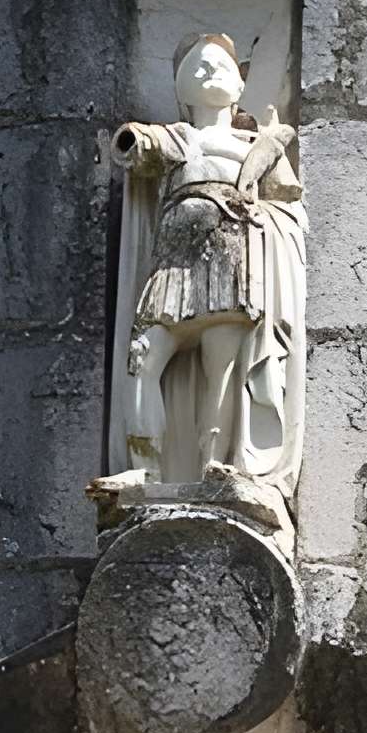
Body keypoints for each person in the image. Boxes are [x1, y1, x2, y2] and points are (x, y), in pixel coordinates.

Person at [104, 33, 307, 510]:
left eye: (220, 64)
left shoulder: (257, 144)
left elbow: (286, 202)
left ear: (240, 88)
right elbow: (138, 145)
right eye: (196, 65)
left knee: (223, 369)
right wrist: (132, 139)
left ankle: (216, 467)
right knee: (143, 358)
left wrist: (270, 161)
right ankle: (145, 466)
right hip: (174, 263)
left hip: (232, 260)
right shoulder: (179, 137)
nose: (208, 70)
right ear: (180, 90)